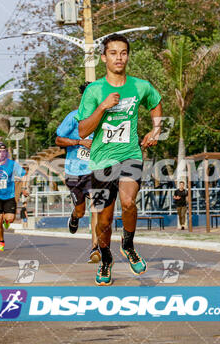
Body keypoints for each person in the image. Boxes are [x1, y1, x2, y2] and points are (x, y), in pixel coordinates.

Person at [77, 33, 163, 286]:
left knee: (128, 202)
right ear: (104, 57)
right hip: (101, 163)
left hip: (130, 156)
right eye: (113, 53)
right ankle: (105, 259)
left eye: (123, 52)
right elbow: (83, 130)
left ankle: (128, 244)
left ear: (127, 56)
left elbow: (155, 103)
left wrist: (155, 129)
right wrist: (102, 107)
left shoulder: (140, 86)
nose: (119, 57)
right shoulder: (94, 91)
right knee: (103, 223)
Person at [56, 82, 100, 263]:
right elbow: (59, 139)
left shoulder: (103, 118)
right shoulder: (74, 117)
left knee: (97, 207)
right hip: (74, 170)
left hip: (95, 170)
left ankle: (95, 248)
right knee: (81, 211)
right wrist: (79, 143)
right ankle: (74, 216)